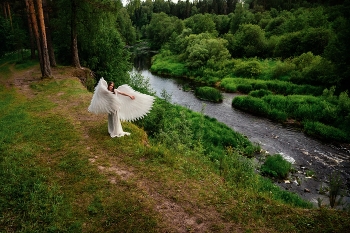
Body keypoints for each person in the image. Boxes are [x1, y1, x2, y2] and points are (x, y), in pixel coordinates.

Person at [88, 77, 155, 138]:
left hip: (115, 108)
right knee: (111, 119)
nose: (111, 87)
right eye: (110, 85)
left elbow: (122, 93)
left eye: (112, 86)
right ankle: (111, 130)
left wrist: (130, 95)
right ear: (108, 85)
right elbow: (101, 92)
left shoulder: (115, 91)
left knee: (115, 119)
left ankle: (116, 131)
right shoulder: (106, 91)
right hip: (110, 108)